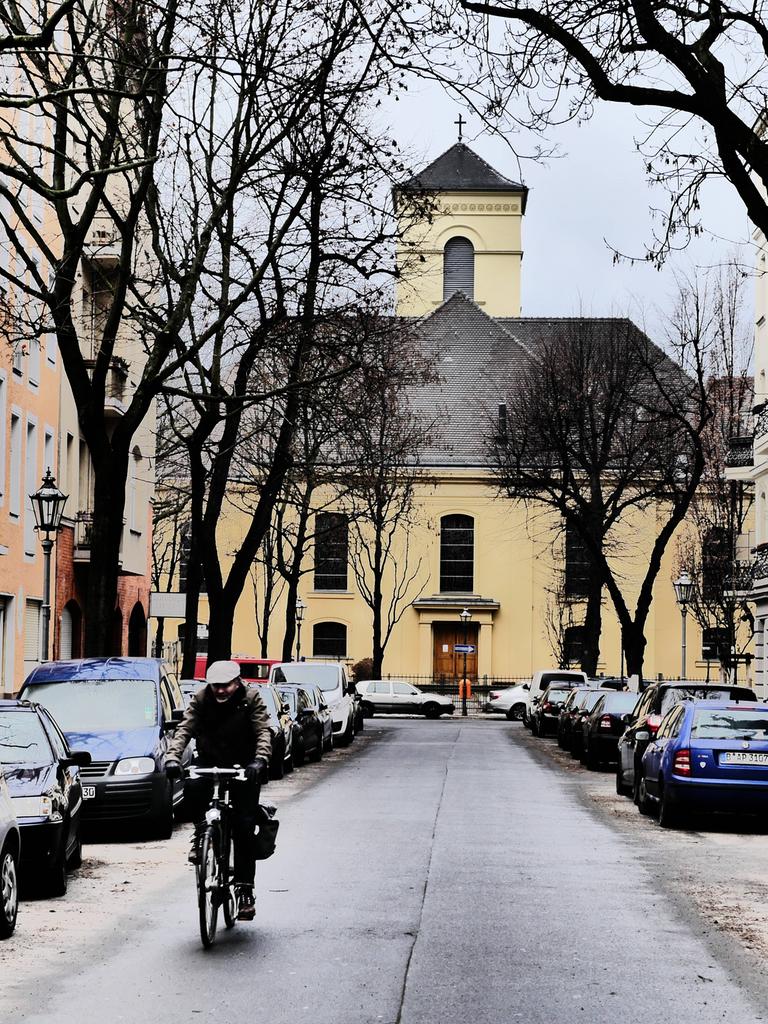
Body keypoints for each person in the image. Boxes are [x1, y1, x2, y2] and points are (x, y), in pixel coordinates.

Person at [165, 660, 272, 921]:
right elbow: (184, 730)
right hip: (211, 758)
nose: (220, 691)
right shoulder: (201, 699)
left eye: (225, 686)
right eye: (216, 687)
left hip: (245, 764)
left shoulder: (251, 698)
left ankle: (245, 890)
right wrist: (172, 758)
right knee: (192, 787)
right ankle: (202, 832)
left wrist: (260, 760)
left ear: (236, 683)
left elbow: (263, 731)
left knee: (244, 826)